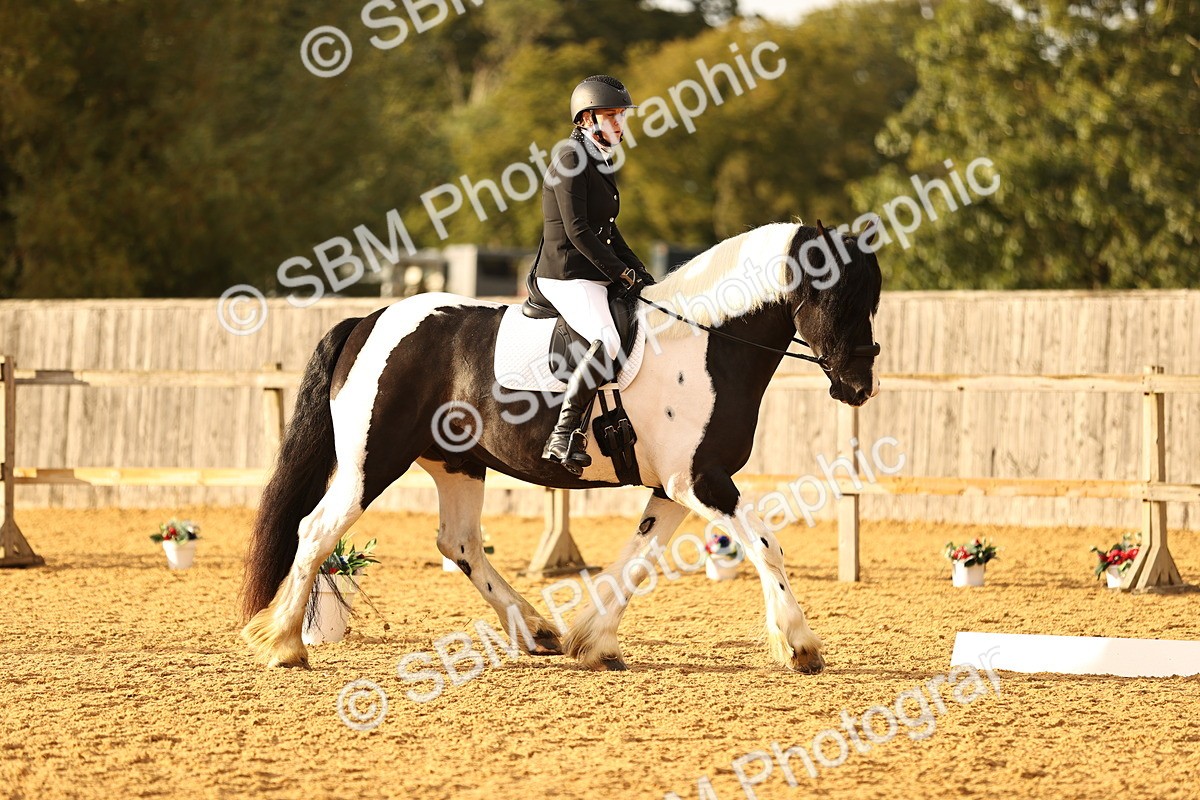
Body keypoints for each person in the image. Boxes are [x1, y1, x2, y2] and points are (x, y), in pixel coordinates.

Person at [537, 75, 655, 475]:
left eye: (622, 115)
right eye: (612, 115)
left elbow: (608, 227)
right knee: (604, 339)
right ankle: (564, 434)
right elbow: (578, 231)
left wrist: (640, 271)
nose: (619, 123)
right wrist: (620, 273)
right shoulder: (569, 157)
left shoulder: (599, 158)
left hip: (593, 272)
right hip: (567, 274)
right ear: (587, 118)